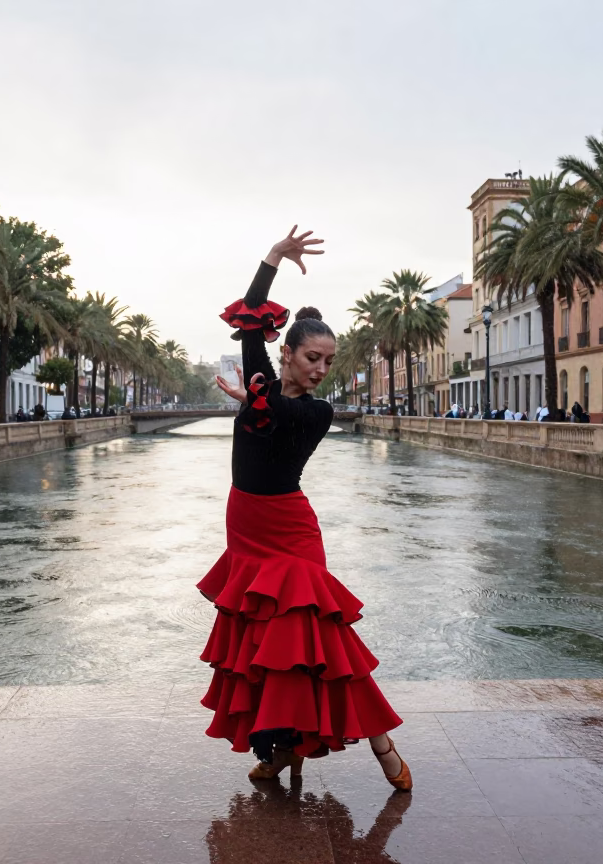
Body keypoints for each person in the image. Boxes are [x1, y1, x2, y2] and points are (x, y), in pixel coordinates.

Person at [205, 226, 409, 790]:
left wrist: (252, 397)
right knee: (261, 649)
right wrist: (271, 258)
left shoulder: (315, 412)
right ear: (287, 353)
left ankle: (382, 742)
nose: (321, 369)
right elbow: (250, 318)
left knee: (318, 640)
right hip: (246, 526)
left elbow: (278, 412)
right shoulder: (262, 384)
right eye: (312, 357)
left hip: (291, 533)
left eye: (328, 360)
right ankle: (278, 752)